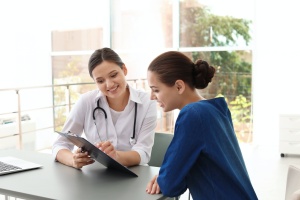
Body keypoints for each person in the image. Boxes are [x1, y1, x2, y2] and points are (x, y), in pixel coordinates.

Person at [145, 51, 258, 199]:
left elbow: (170, 185)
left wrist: (164, 177)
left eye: (156, 90)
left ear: (179, 86)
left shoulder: (192, 115)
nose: (152, 97)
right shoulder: (217, 109)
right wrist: (168, 175)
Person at [52, 47, 157, 169]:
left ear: (124, 69)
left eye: (113, 75)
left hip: (135, 175)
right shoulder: (86, 102)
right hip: (97, 176)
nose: (109, 84)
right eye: (100, 81)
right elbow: (60, 144)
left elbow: (143, 153)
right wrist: (73, 160)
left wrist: (116, 156)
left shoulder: (147, 103)